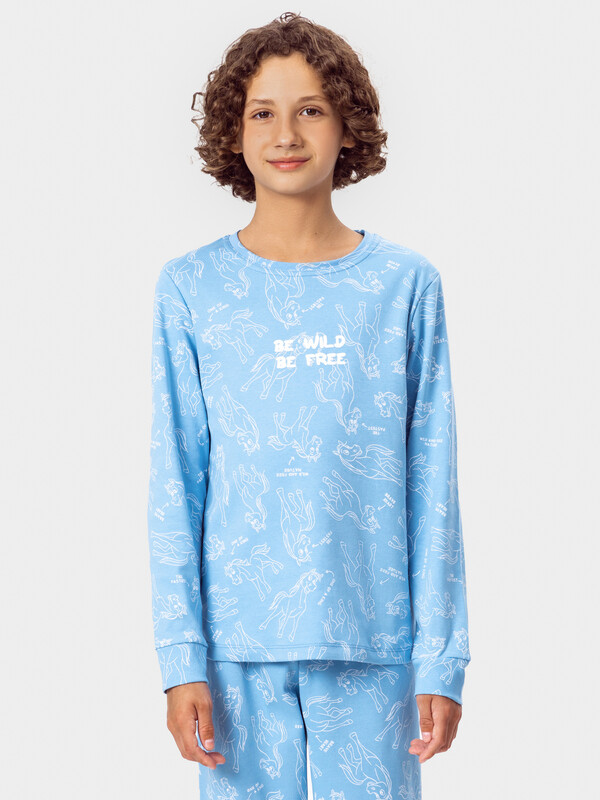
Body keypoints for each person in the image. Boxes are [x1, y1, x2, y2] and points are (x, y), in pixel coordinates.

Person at [147, 11, 471, 799]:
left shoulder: (403, 286)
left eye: (311, 109)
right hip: (235, 652)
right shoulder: (192, 288)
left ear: (346, 125)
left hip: (377, 646)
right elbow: (175, 482)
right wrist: (182, 658)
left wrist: (441, 658)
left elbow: (432, 485)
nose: (286, 134)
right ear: (233, 131)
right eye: (263, 112)